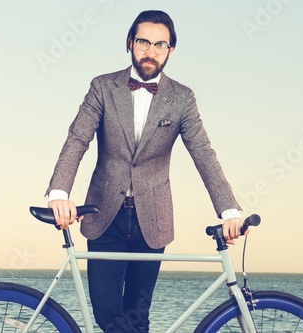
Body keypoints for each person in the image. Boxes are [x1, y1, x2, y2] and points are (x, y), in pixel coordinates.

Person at [45, 10, 245, 333]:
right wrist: (59, 194)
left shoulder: (182, 98)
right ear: (130, 43)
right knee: (109, 317)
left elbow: (203, 154)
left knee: (137, 319)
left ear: (170, 50)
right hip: (103, 215)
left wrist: (229, 210)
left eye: (160, 44)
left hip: (151, 220)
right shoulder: (102, 87)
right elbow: (77, 137)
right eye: (143, 42)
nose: (151, 51)